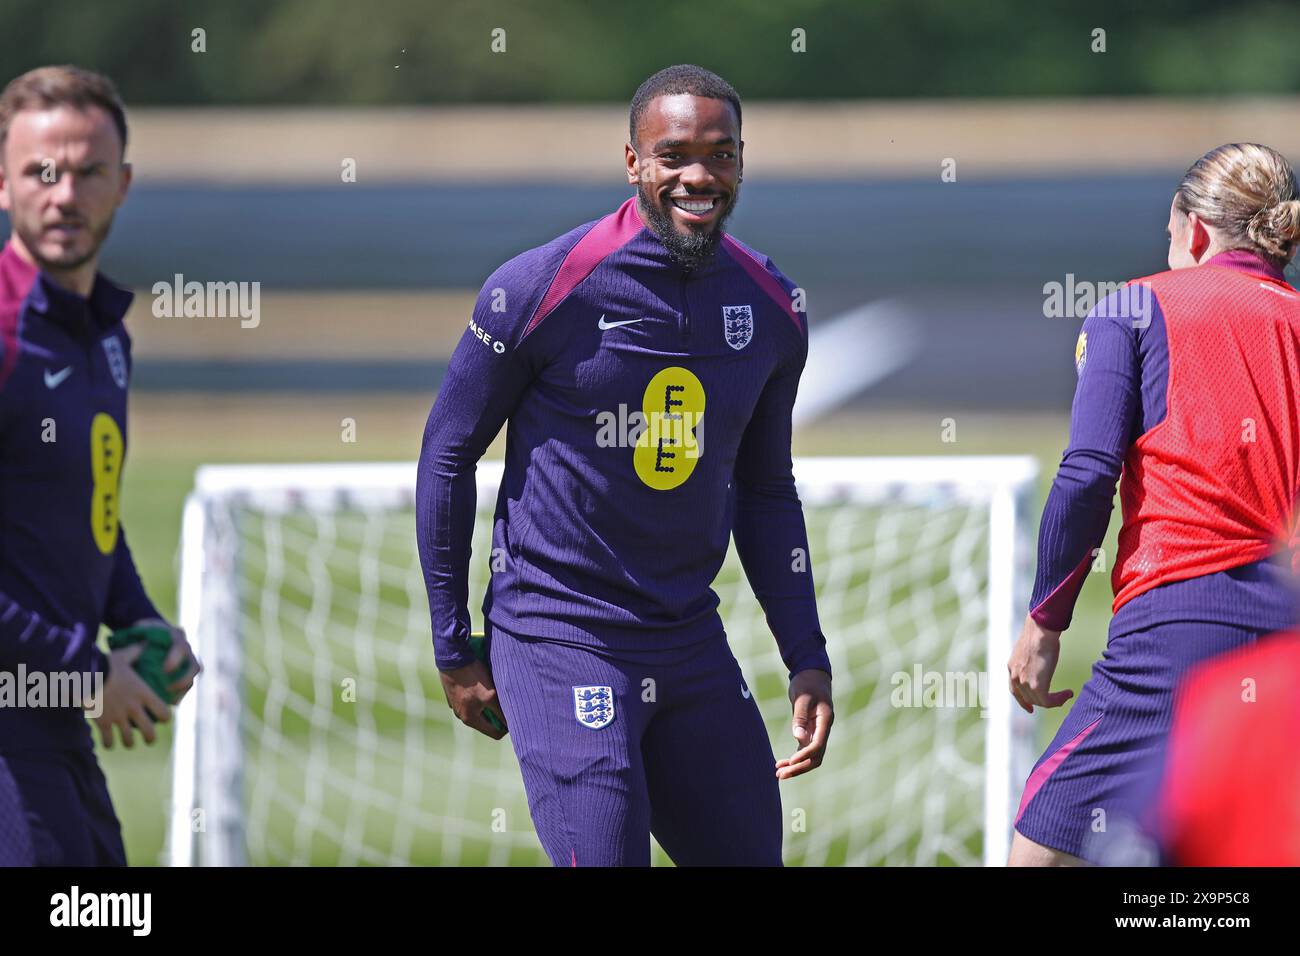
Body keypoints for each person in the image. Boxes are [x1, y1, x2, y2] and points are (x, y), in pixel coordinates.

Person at [416, 64, 833, 866]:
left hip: (687, 637)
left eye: (721, 153)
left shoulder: (775, 309)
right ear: (633, 162)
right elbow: (447, 454)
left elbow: (766, 488)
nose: (699, 176)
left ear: (742, 161)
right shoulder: (541, 287)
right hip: (556, 634)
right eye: (674, 153)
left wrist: (805, 653)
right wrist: (451, 643)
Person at [1007, 142, 1300, 865]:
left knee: (1042, 843)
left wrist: (1045, 622)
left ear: (1194, 231)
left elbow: (1086, 475)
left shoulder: (1134, 307)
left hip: (1181, 625)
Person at [0, 65, 198, 866]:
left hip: (54, 732)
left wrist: (139, 617)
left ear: (122, 183)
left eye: (87, 172)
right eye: (41, 173)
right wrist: (85, 672)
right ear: (3, 182)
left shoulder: (106, 337)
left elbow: (94, 515)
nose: (63, 194)